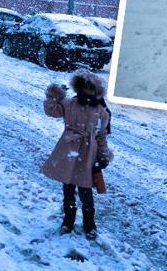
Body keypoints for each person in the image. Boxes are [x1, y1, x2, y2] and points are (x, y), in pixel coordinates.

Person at [41, 70, 113, 240]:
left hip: (88, 154)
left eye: (91, 89)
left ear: (96, 91)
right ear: (79, 88)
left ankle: (90, 225)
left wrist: (103, 156)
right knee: (68, 188)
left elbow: (101, 135)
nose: (87, 93)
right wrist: (54, 94)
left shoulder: (101, 111)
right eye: (84, 88)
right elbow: (51, 110)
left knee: (86, 190)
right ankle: (68, 221)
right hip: (69, 150)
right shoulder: (70, 104)